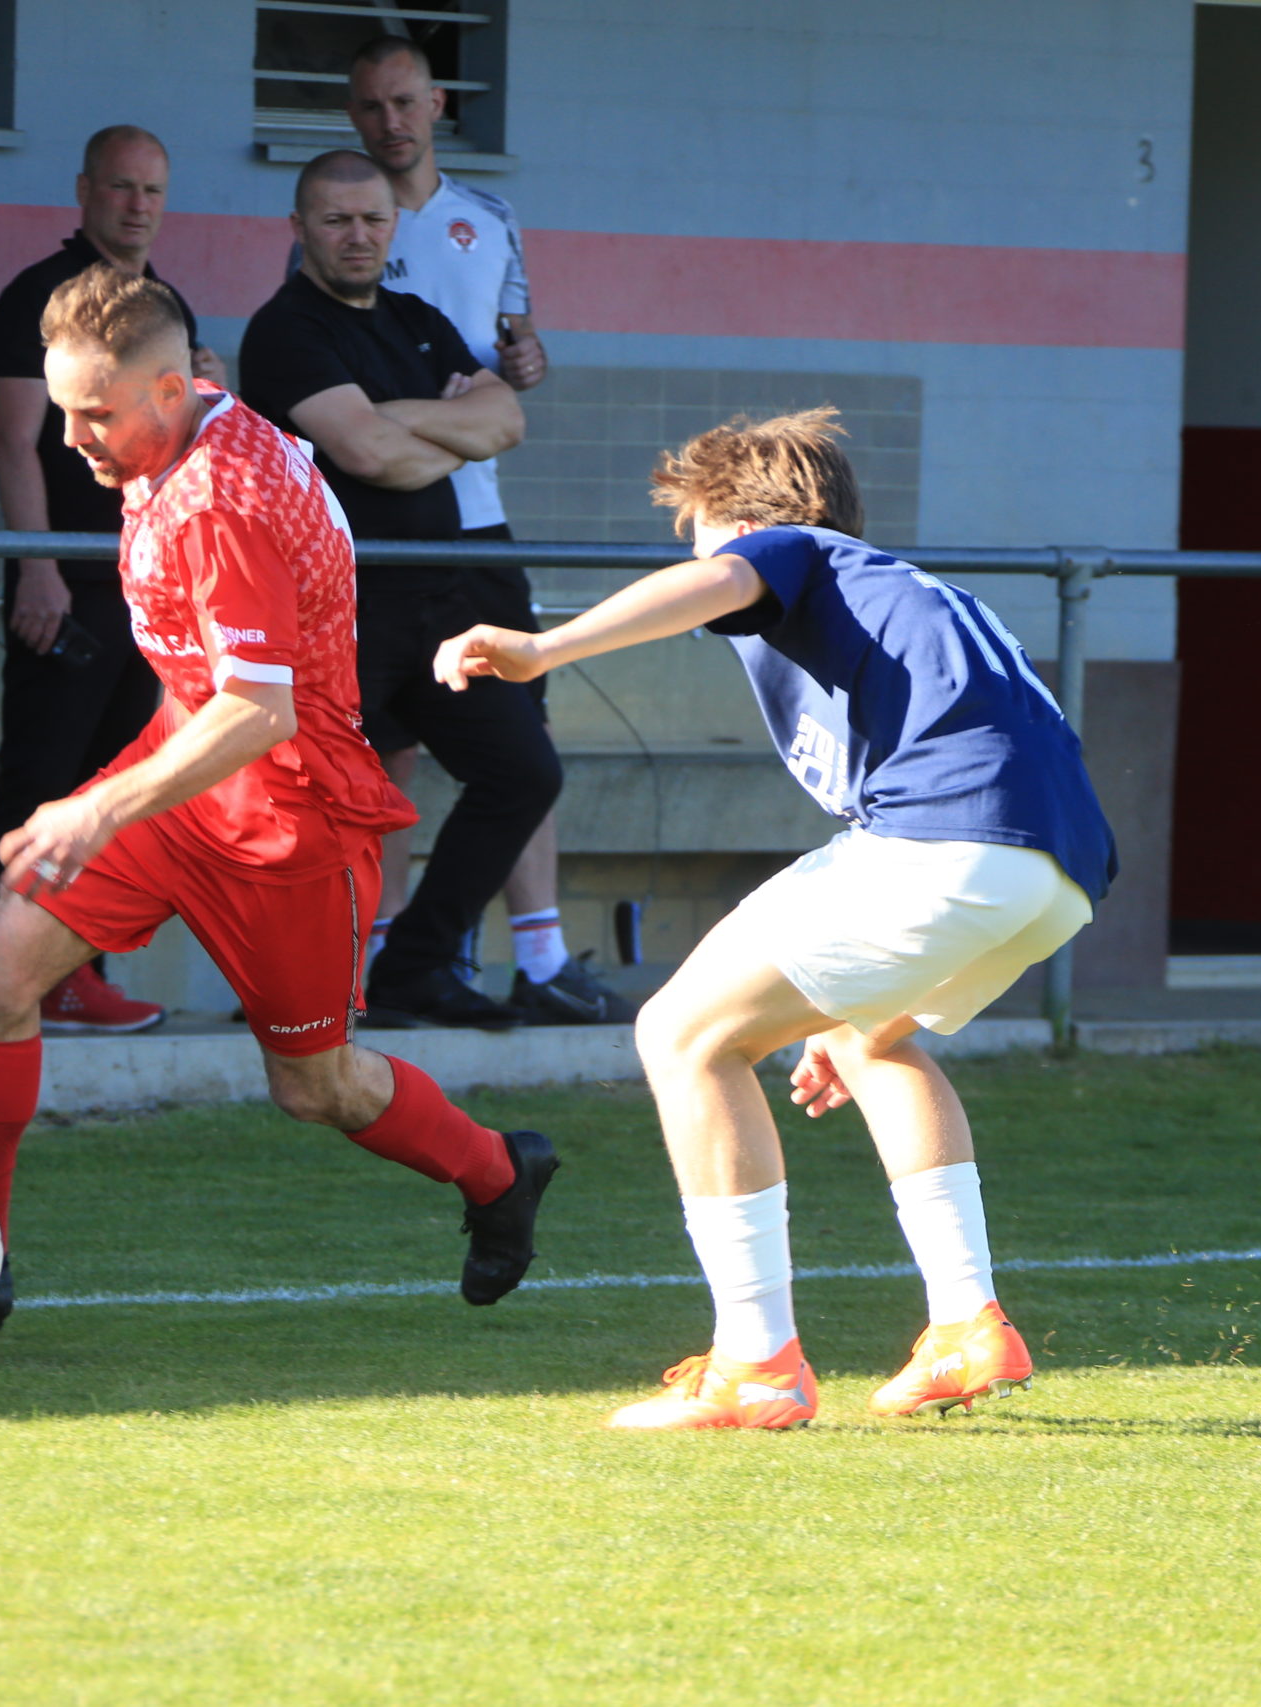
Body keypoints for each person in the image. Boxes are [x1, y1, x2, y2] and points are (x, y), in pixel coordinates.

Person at [0, 266, 560, 1340]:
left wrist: (94, 810)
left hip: (288, 817)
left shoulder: (222, 502)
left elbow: (259, 713)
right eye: (64, 406)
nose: (73, 436)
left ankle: (498, 1171)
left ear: (171, 390)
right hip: (183, 775)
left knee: (316, 1089)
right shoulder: (182, 415)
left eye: (93, 413)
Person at [432, 409, 1117, 1429]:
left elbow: (722, 579)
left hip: (947, 835)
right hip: (1059, 869)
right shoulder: (905, 586)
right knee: (865, 1036)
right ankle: (966, 1322)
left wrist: (545, 648)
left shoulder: (789, 547)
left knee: (683, 1035)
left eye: (699, 533)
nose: (699, 557)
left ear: (742, 522)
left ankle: (756, 1364)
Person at [340, 36, 630, 1026]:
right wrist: (448, 417)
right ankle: (378, 965)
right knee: (384, 757)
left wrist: (526, 365)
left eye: (405, 102)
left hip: (480, 528)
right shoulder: (340, 225)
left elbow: (514, 347)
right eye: (372, 106)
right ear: (352, 117)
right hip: (383, 539)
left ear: (436, 104)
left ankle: (539, 960)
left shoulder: (490, 218)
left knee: (521, 741)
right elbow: (343, 404)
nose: (391, 122)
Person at [240, 150, 557, 1031]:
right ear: (299, 228)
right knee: (327, 809)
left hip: (440, 603)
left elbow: (506, 420)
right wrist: (447, 430)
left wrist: (400, 421)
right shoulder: (286, 331)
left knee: (523, 772)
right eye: (337, 220)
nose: (358, 236)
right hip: (340, 612)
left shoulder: (418, 320)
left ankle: (413, 967)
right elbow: (367, 454)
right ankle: (302, 990)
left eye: (374, 220)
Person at [0, 124, 226, 1035]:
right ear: (84, 191)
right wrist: (38, 570)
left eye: (153, 191)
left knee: (114, 785)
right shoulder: (36, 298)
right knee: (43, 780)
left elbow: (188, 443)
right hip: (68, 588)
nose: (138, 206)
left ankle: (65, 971)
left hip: (148, 585)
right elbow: (17, 443)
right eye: (120, 187)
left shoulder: (164, 306)